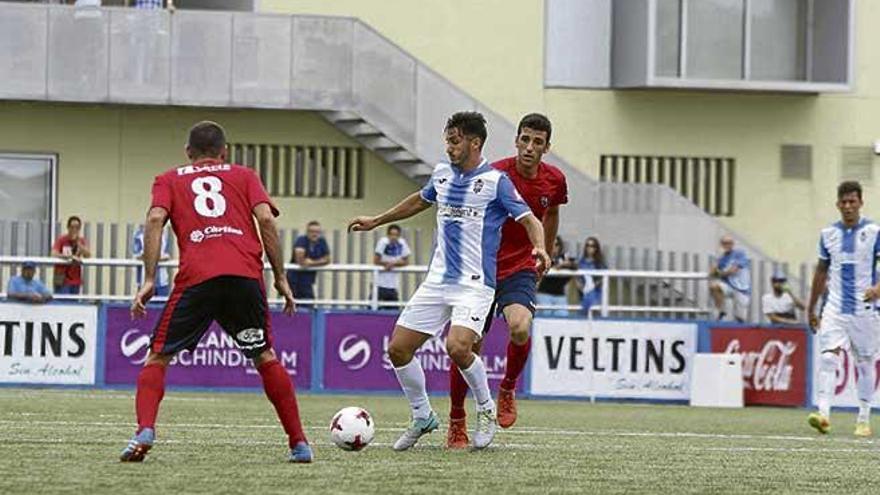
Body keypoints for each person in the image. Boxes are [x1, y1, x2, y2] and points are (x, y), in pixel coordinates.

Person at [347, 111, 550, 451]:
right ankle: (422, 415)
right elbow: (419, 200)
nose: (449, 147)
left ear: (474, 143)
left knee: (457, 347)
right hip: (438, 281)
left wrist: (540, 248)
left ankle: (486, 410)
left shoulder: (496, 182)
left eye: (454, 141)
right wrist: (377, 220)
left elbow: (530, 220)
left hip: (475, 284)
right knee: (397, 349)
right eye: (447, 141)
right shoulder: (442, 174)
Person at [122, 121, 311, 463]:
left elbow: (153, 220)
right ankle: (299, 443)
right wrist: (281, 276)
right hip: (244, 277)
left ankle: (145, 430)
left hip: (198, 278)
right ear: (225, 151)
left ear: (188, 153)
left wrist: (149, 279)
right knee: (265, 356)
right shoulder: (245, 174)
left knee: (158, 357)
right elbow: (266, 220)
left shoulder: (169, 178)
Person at [446, 113, 568, 448]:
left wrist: (545, 251)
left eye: (537, 142)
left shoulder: (555, 180)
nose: (530, 147)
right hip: (481, 269)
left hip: (520, 268)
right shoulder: (494, 174)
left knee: (520, 326)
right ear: (516, 140)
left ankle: (508, 387)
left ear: (546, 147)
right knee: (465, 347)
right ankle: (457, 419)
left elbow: (551, 214)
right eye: (525, 139)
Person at [808, 181, 880, 438]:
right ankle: (824, 415)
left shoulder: (874, 231)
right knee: (828, 357)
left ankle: (863, 418)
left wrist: (878, 288)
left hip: (865, 308)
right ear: (838, 204)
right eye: (844, 202)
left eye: (853, 201)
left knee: (865, 363)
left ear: (861, 202)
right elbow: (821, 271)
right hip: (835, 307)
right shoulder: (828, 234)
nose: (848, 206)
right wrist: (811, 308)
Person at [708, 235, 751, 322]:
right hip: (729, 286)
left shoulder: (740, 253)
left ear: (733, 244)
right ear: (721, 245)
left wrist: (719, 273)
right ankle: (722, 311)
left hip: (741, 288)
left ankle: (740, 325)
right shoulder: (722, 258)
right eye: (725, 243)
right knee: (714, 287)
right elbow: (712, 273)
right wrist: (716, 262)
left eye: (729, 243)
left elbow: (733, 270)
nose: (727, 245)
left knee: (741, 317)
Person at [286, 221, 330, 304]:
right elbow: (300, 261)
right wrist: (319, 261)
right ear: (307, 232)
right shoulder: (301, 240)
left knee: (309, 305)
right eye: (312, 231)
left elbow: (327, 259)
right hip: (294, 280)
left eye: (317, 232)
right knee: (293, 305)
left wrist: (311, 262)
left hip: (308, 281)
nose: (314, 234)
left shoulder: (321, 242)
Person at [537, 236, 577, 317]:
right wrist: (556, 267)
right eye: (552, 244)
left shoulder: (564, 257)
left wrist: (563, 264)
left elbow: (575, 267)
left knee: (563, 315)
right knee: (545, 316)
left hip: (559, 293)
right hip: (544, 292)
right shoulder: (543, 257)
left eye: (557, 244)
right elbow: (543, 267)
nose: (554, 247)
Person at [52, 215, 91, 295]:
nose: (74, 230)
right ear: (68, 227)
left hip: (75, 279)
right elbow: (53, 253)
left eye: (77, 227)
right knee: (63, 304)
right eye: (72, 227)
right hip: (62, 279)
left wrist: (79, 245)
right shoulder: (62, 239)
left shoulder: (81, 241)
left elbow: (88, 255)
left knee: (74, 304)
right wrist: (67, 256)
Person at [373, 224, 411, 302]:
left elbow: (406, 261)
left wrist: (392, 264)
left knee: (393, 309)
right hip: (379, 283)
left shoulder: (402, 243)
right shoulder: (383, 242)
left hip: (393, 285)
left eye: (396, 235)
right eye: (391, 235)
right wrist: (388, 264)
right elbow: (376, 261)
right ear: (388, 235)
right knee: (373, 306)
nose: (394, 237)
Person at [132, 224, 172, 297]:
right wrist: (157, 257)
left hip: (162, 281)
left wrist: (150, 257)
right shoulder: (139, 236)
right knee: (146, 306)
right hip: (144, 280)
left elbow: (167, 256)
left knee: (162, 305)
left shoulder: (164, 236)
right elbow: (138, 256)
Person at [576, 236, 607, 315]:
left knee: (595, 313)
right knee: (583, 315)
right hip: (584, 294)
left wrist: (593, 286)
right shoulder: (581, 262)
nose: (590, 248)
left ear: (596, 248)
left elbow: (602, 278)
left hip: (596, 293)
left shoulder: (600, 263)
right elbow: (577, 278)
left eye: (592, 246)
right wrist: (581, 287)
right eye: (588, 245)